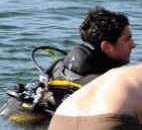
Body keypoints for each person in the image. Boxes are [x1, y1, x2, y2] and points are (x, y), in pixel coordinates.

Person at [2, 7, 135, 122]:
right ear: (106, 46)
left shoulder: (57, 66)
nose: (133, 44)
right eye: (127, 39)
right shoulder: (106, 83)